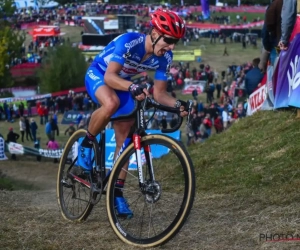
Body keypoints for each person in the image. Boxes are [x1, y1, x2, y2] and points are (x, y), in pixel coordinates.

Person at [78, 9, 189, 217]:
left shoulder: (165, 56)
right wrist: (130, 87)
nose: (172, 46)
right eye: (170, 40)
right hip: (100, 74)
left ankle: (116, 192)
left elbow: (159, 93)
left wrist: (178, 105)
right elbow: (110, 77)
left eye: (176, 42)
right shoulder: (130, 42)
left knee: (128, 140)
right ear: (155, 33)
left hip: (123, 84)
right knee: (110, 103)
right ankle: (86, 143)